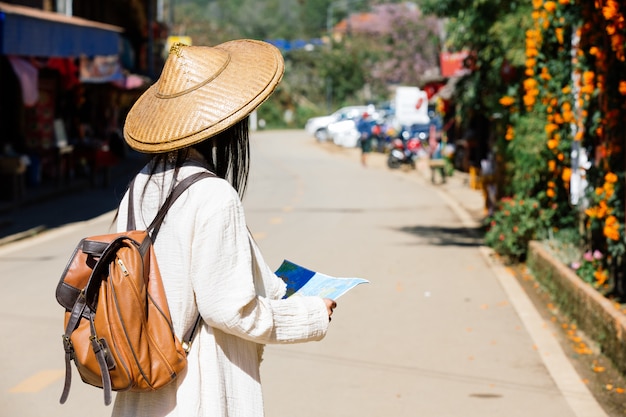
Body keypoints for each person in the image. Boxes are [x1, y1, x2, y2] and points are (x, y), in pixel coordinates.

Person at [113, 40, 337, 417]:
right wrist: (313, 314)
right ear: (228, 121)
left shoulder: (139, 187)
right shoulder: (214, 195)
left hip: (145, 388)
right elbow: (230, 310)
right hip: (198, 391)